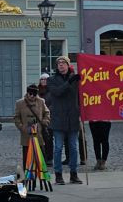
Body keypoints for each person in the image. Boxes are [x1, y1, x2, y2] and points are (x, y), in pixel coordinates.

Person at [46, 56, 82, 185]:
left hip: (72, 118)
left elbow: (81, 96)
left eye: (63, 63)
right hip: (58, 118)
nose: (61, 65)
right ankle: (58, 174)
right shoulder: (51, 80)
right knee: (58, 148)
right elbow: (57, 92)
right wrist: (69, 82)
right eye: (59, 63)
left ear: (68, 65)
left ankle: (74, 174)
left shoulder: (75, 79)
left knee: (73, 148)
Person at [13, 84, 50, 175]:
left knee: (41, 158)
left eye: (34, 94)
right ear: (27, 93)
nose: (32, 96)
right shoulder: (20, 103)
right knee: (27, 159)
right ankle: (28, 176)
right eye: (30, 94)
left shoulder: (41, 101)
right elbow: (16, 118)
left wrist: (45, 122)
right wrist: (23, 128)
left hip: (39, 134)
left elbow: (47, 113)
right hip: (26, 134)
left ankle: (42, 176)